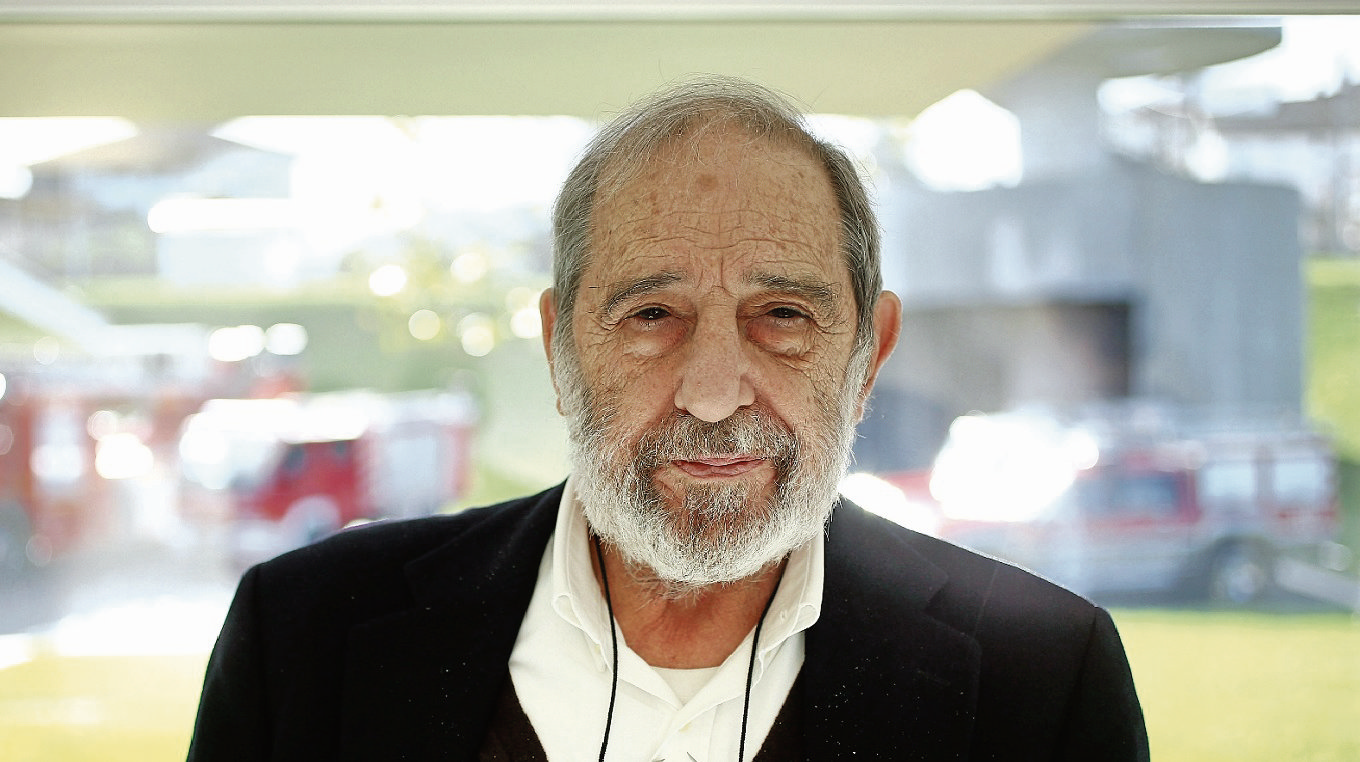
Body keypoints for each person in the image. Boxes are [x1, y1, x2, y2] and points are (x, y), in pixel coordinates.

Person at [186, 76, 1148, 761]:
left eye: (783, 316)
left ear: (869, 355)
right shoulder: (303, 636)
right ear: (561, 346)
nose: (714, 393)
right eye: (652, 315)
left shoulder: (1041, 680)